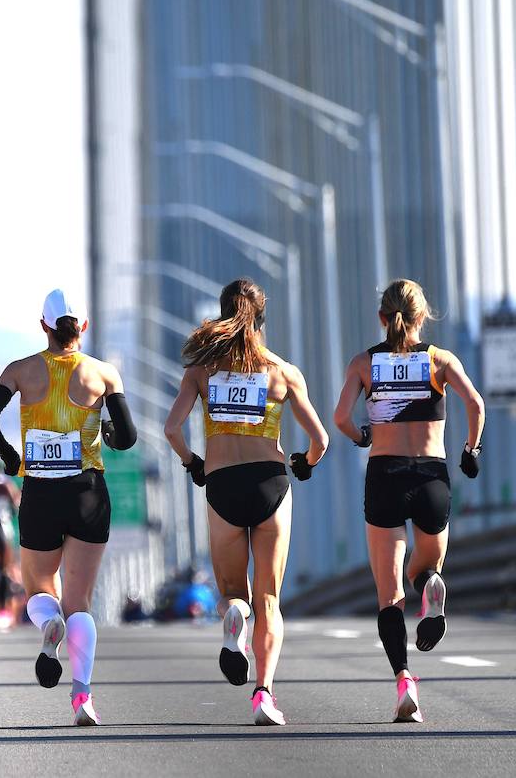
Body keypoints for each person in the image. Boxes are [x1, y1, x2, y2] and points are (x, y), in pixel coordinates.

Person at [163, 278, 328, 727]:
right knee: (269, 599)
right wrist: (306, 462)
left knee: (234, 594)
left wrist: (193, 463)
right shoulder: (282, 371)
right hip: (270, 484)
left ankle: (234, 616)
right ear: (261, 318)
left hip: (222, 486)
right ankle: (263, 695)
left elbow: (172, 429)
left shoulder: (202, 370)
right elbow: (320, 439)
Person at [0, 288, 138, 727]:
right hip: (88, 492)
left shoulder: (21, 371)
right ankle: (82, 695)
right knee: (80, 599)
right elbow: (128, 437)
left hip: (41, 491)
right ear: (82, 327)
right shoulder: (103, 374)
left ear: (43, 325)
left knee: (39, 588)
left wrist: (11, 458)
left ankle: (49, 624)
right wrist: (103, 429)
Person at [333, 279, 485, 723]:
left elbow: (341, 417)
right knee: (425, 566)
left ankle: (404, 681)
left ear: (383, 318)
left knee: (388, 594)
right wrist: (470, 452)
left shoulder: (365, 363)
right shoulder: (440, 360)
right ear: (423, 317)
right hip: (432, 474)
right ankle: (431, 587)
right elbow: (474, 403)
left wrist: (362, 435)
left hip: (385, 475)